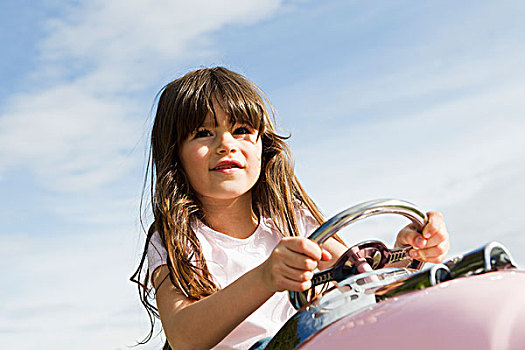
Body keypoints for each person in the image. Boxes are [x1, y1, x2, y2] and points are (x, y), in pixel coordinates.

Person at [131, 67, 450, 349]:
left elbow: (361, 278)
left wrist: (406, 254)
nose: (226, 144)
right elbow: (184, 337)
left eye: (242, 131)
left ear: (262, 147)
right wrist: (267, 276)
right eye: (203, 133)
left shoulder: (292, 220)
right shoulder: (177, 238)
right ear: (176, 155)